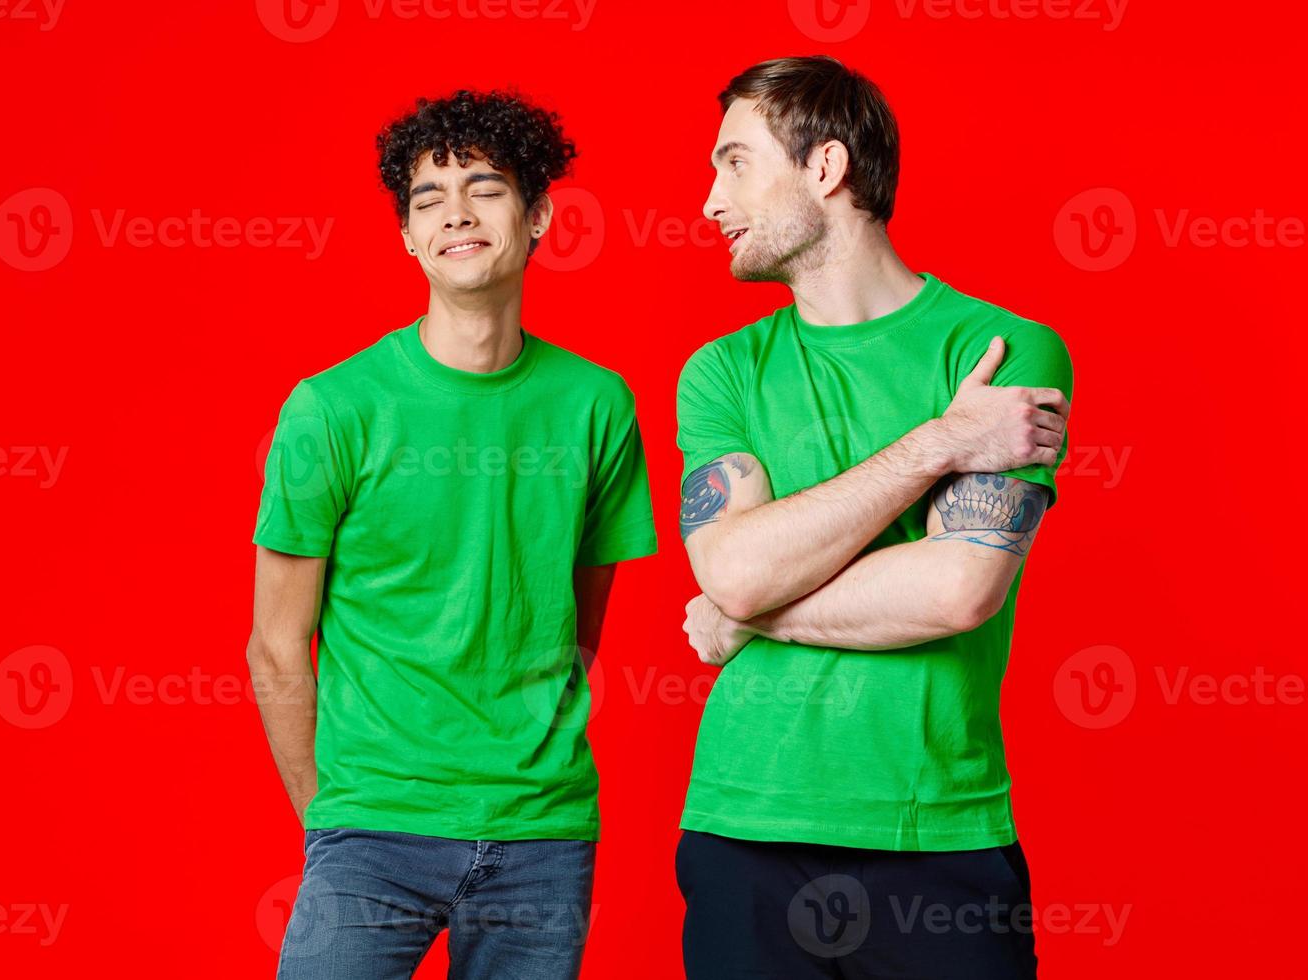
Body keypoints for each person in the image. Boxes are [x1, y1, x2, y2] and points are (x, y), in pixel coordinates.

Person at [675, 55, 1074, 979]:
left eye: (734, 163)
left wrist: (752, 608)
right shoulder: (720, 371)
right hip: (743, 826)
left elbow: (956, 590)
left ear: (825, 168)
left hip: (937, 831)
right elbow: (731, 570)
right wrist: (940, 442)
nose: (708, 201)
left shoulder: (1001, 350)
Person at [246, 88, 657, 980]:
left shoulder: (597, 405)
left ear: (540, 213)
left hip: (543, 833)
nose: (456, 214)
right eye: (428, 199)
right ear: (405, 234)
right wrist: (332, 816)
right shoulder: (332, 409)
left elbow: (576, 630)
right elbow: (276, 646)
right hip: (372, 829)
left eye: (485, 188)